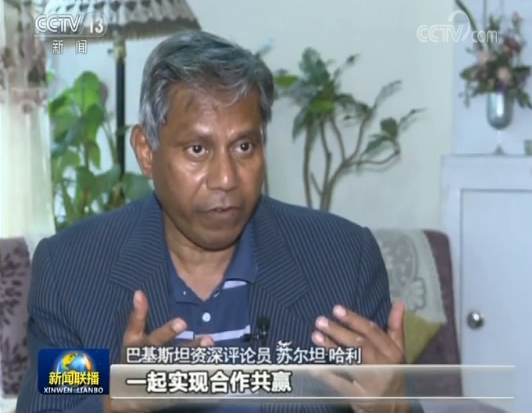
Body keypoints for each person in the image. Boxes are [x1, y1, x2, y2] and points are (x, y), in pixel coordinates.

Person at [17, 30, 422, 413]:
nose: (226, 178)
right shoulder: (73, 273)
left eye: (244, 146)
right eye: (197, 149)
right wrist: (116, 403)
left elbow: (389, 399)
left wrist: (392, 406)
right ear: (146, 151)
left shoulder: (343, 261)